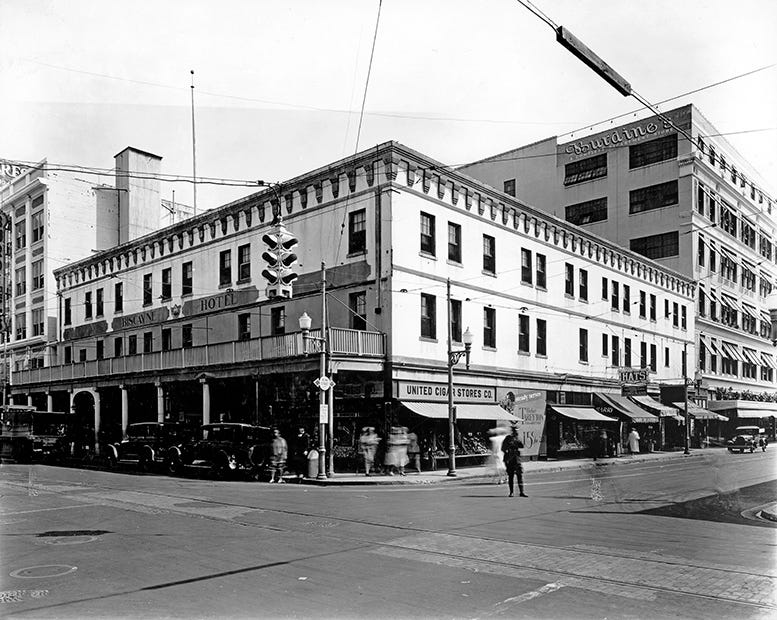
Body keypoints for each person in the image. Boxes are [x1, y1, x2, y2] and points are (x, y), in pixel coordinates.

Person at [501, 424, 527, 497]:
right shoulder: (508, 438)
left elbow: (522, 446)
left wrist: (517, 440)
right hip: (510, 459)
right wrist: (509, 448)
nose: (516, 432)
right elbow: (503, 449)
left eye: (517, 431)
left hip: (517, 459)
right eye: (515, 431)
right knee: (511, 476)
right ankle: (511, 492)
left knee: (520, 475)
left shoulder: (517, 438)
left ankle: (521, 492)